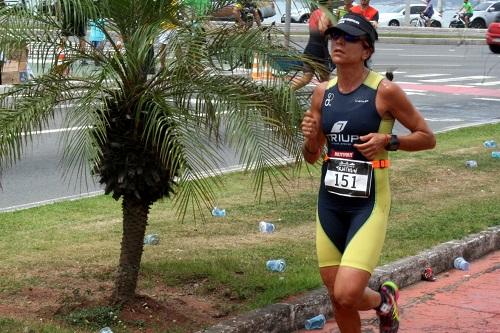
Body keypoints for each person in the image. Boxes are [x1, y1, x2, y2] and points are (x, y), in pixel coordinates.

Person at [300, 13, 436, 333]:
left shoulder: (385, 91)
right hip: (330, 201)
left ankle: (382, 300)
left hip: (369, 203)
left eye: (347, 38)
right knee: (338, 298)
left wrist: (388, 140)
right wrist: (309, 140)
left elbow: (427, 137)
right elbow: (311, 157)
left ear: (366, 50)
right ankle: (383, 302)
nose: (338, 43)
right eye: (335, 37)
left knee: (347, 292)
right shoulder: (322, 92)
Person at [291, 0, 334, 91]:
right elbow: (322, 29)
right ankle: (326, 101)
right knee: (325, 81)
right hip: (320, 51)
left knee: (307, 78)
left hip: (310, 49)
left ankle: (287, 92)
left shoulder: (314, 13)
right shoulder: (326, 13)